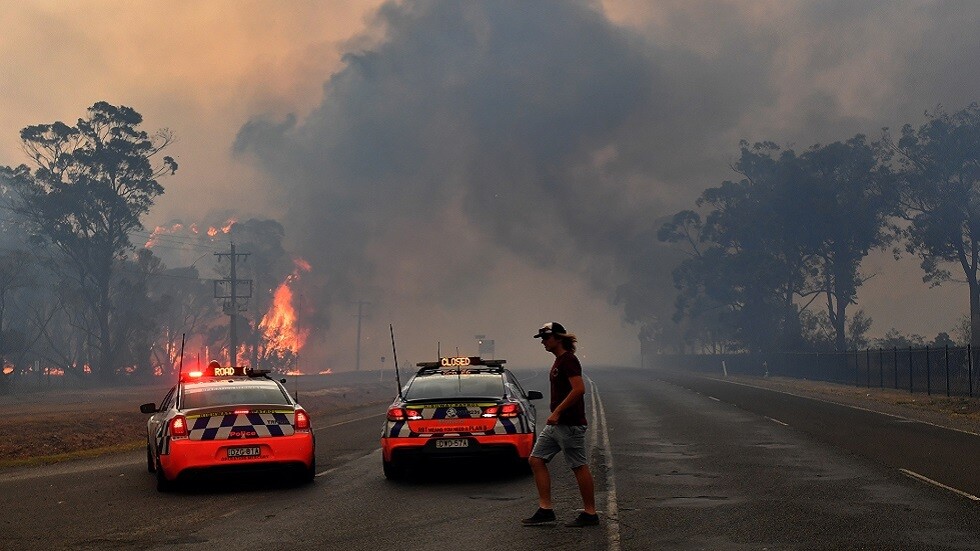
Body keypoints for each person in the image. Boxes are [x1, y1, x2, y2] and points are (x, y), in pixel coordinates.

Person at [521, 321, 599, 528]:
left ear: (557, 337)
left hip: (569, 424)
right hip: (557, 426)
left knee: (578, 466)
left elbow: (579, 389)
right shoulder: (559, 361)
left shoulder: (568, 361)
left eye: (546, 338)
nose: (543, 343)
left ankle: (590, 513)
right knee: (536, 460)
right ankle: (545, 509)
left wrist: (557, 412)